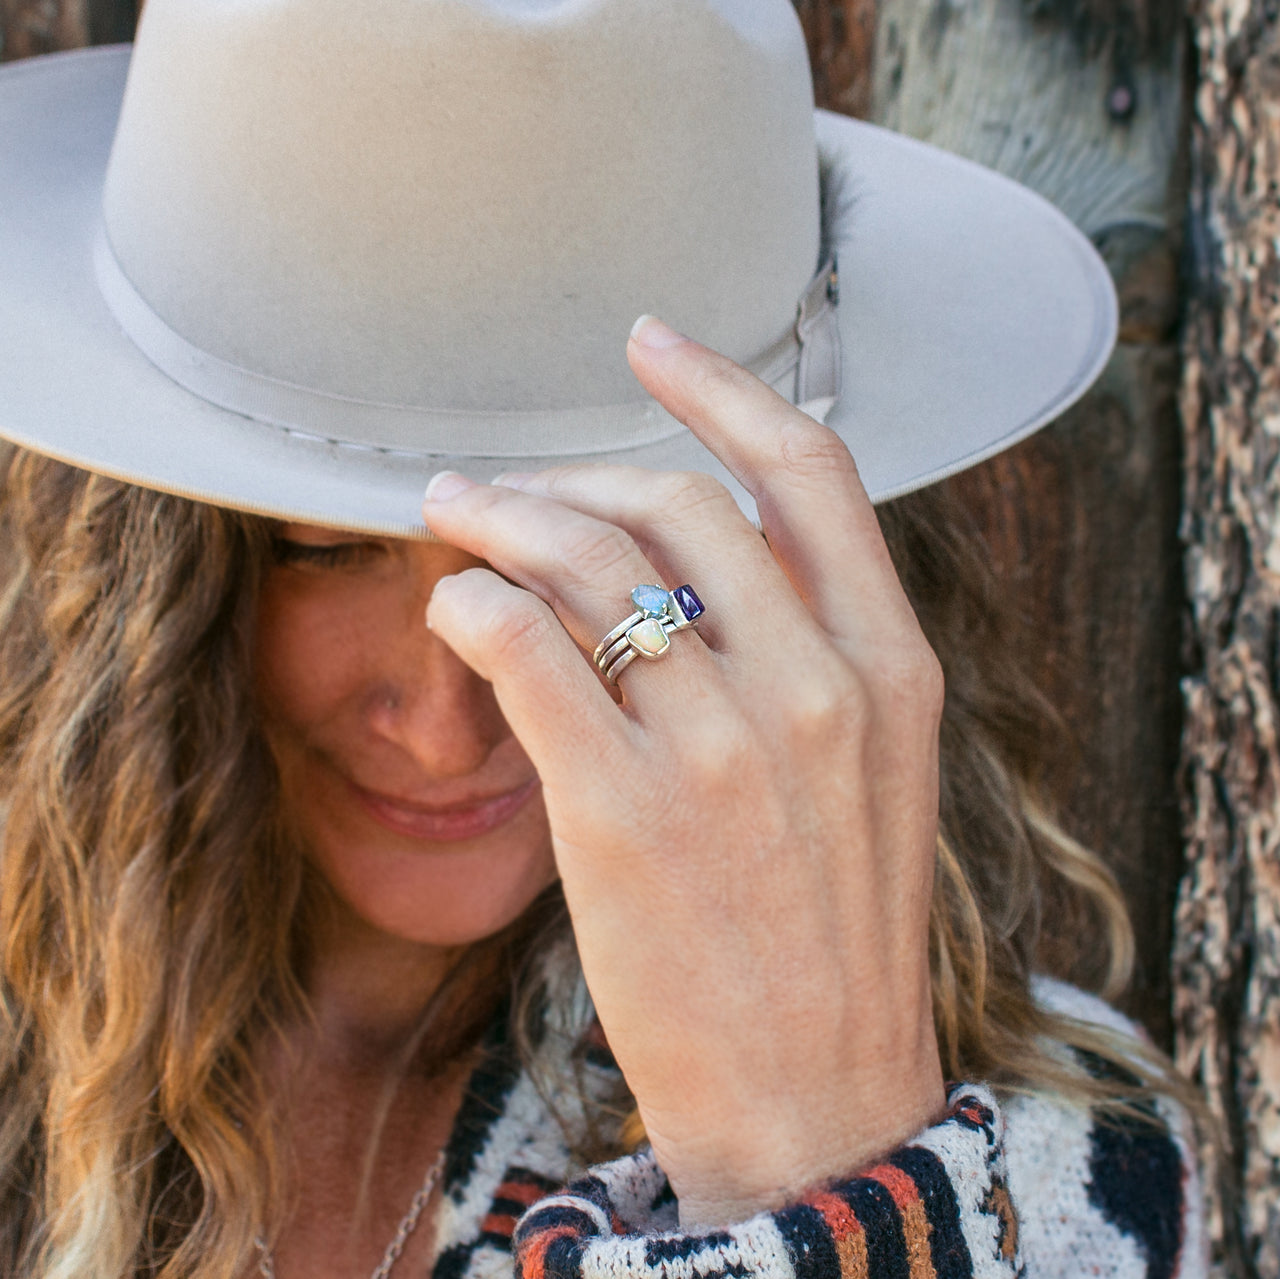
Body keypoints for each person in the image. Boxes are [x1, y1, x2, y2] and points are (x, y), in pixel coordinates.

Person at [0, 1, 1203, 1277]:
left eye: (580, 564)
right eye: (323, 551)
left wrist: (815, 1166)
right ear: (157, 569)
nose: (449, 715)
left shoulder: (1048, 1175)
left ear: (771, 561)